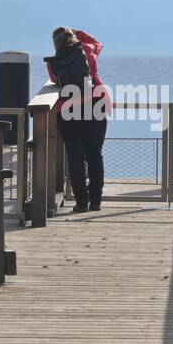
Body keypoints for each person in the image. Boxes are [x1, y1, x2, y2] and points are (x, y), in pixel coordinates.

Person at [44, 26, 109, 212]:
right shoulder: (87, 50)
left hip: (67, 109)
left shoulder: (53, 62)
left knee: (75, 157)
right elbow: (99, 45)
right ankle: (95, 201)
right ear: (73, 38)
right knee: (94, 154)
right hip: (95, 105)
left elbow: (56, 81)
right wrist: (79, 32)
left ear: (55, 44)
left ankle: (81, 202)